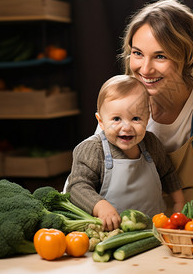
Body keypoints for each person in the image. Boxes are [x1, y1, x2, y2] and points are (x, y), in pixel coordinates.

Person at [119, 0, 193, 212]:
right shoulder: (120, 102)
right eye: (137, 53)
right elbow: (92, 167)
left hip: (184, 231)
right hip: (125, 225)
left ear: (187, 57)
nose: (145, 69)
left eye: (160, 56)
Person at [66, 75, 185, 231]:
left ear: (147, 118)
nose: (127, 127)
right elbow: (77, 186)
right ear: (101, 121)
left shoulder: (151, 144)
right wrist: (100, 207)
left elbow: (167, 172)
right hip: (111, 233)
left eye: (136, 118)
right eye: (116, 119)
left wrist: (179, 201)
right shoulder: (93, 150)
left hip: (154, 229)